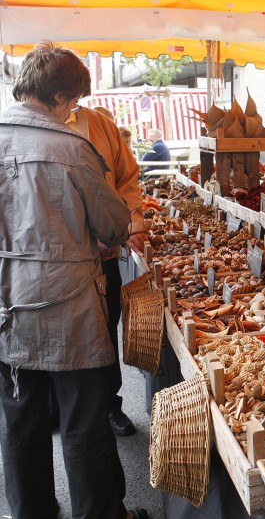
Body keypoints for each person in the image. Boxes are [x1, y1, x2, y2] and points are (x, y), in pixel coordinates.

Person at [0, 41, 146, 519]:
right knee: (83, 418)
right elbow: (113, 225)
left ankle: (31, 511)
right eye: (74, 101)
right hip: (69, 303)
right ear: (61, 97)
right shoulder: (72, 147)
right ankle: (98, 513)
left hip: (7, 303)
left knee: (20, 418)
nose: (73, 111)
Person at [65, 104, 148, 437]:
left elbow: (127, 178)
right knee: (62, 335)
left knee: (105, 329)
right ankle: (62, 409)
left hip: (104, 253)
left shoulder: (99, 124)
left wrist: (133, 223)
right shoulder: (26, 127)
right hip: (58, 258)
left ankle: (110, 405)